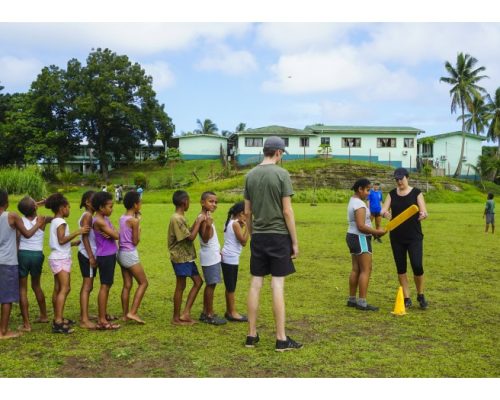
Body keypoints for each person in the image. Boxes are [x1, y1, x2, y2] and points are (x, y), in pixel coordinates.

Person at [244, 136, 302, 352]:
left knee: (255, 284)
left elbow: (247, 212)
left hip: (258, 236)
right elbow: (287, 211)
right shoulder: (281, 174)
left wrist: (252, 234)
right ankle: (281, 339)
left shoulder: (250, 175)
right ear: (278, 152)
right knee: (277, 285)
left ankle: (251, 335)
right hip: (278, 237)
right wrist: (294, 241)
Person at [381, 167, 429, 310]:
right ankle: (406, 297)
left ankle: (420, 294)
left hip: (414, 236)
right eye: (396, 179)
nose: (399, 181)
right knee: (401, 268)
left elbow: (424, 210)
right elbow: (383, 209)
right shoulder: (391, 194)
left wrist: (423, 215)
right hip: (396, 237)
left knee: (417, 265)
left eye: (401, 178)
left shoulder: (416, 193)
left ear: (407, 177)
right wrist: (385, 214)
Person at [0, 189, 44, 339]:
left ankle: (17, 326)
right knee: (7, 298)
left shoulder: (12, 215)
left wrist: (35, 204)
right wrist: (38, 224)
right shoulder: (11, 216)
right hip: (7, 261)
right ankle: (3, 332)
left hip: (8, 259)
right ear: (6, 201)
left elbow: (26, 210)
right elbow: (26, 233)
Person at [45, 193, 90, 334]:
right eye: (68, 207)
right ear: (61, 208)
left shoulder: (54, 221)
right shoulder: (61, 222)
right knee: (65, 288)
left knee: (58, 289)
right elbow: (61, 240)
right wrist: (78, 232)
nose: (69, 209)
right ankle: (58, 322)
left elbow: (60, 242)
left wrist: (73, 244)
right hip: (61, 259)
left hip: (57, 256)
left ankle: (58, 317)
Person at [346, 179, 386, 311]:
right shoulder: (359, 204)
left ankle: (352, 299)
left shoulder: (353, 201)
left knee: (356, 269)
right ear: (360, 189)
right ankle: (362, 302)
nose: (368, 193)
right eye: (367, 190)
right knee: (366, 269)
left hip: (352, 236)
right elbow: (361, 226)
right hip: (360, 238)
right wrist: (377, 232)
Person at [168, 190, 205, 325]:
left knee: (198, 282)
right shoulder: (176, 218)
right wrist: (199, 222)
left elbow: (188, 231)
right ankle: (176, 318)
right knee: (181, 286)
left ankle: (185, 313)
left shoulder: (181, 217)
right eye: (189, 201)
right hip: (180, 257)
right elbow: (190, 237)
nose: (189, 203)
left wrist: (197, 220)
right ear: (184, 202)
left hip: (186, 257)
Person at [17, 196, 51, 332]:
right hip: (37, 255)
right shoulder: (43, 219)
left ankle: (26, 324)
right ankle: (44, 315)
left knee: (22, 289)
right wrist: (44, 203)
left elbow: (25, 208)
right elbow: (56, 217)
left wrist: (36, 204)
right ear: (35, 207)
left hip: (23, 255)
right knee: (36, 285)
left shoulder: (19, 220)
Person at [117, 191, 149, 324]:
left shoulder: (122, 217)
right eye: (140, 202)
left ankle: (125, 315)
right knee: (143, 283)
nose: (141, 204)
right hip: (130, 254)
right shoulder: (134, 221)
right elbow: (135, 241)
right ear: (135, 205)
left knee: (127, 285)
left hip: (121, 254)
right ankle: (133, 312)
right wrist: (139, 227)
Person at [92, 191, 120, 330]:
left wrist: (112, 234)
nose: (111, 209)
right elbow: (116, 235)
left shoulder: (104, 219)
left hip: (108, 254)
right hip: (105, 255)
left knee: (107, 285)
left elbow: (114, 233)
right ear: (101, 207)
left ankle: (103, 315)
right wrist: (112, 234)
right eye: (110, 206)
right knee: (105, 286)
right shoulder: (100, 221)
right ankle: (102, 320)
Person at [198, 191, 226, 325]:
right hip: (209, 257)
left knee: (211, 284)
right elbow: (205, 238)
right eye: (211, 201)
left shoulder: (206, 216)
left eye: (216, 202)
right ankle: (209, 314)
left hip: (212, 255)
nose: (214, 204)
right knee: (211, 285)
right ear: (202, 202)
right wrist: (208, 224)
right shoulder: (203, 219)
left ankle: (205, 312)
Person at [221, 201, 249, 322]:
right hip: (231, 258)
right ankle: (232, 313)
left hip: (227, 256)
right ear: (241, 213)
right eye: (246, 214)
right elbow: (243, 242)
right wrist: (248, 227)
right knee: (231, 287)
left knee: (229, 286)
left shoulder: (230, 222)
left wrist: (243, 225)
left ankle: (229, 311)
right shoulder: (235, 224)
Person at [77, 190, 98, 329]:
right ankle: (84, 320)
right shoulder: (88, 216)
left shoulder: (88, 215)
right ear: (88, 202)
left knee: (88, 286)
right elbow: (85, 237)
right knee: (87, 286)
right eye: (95, 200)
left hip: (87, 253)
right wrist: (91, 256)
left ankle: (84, 314)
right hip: (87, 254)